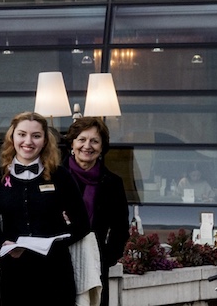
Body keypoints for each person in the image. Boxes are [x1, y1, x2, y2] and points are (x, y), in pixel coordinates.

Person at [0, 112, 90, 306]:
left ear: (45, 140)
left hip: (55, 272)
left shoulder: (61, 176)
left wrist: (54, 244)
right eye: (22, 134)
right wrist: (3, 243)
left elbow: (82, 224)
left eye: (36, 136)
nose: (28, 141)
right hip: (14, 273)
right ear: (12, 137)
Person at [65, 117, 129, 306]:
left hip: (96, 264)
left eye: (94, 141)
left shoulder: (113, 183)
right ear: (72, 143)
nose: (87, 146)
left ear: (102, 147)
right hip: (58, 263)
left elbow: (120, 227)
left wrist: (107, 258)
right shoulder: (54, 177)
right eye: (82, 139)